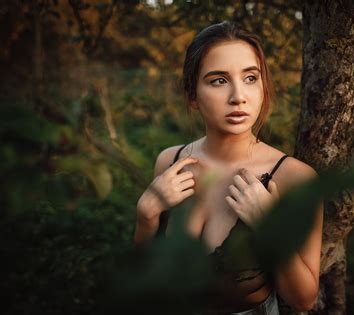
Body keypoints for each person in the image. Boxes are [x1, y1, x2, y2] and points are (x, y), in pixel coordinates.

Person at [134, 21, 323, 314]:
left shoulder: (293, 177)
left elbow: (303, 301)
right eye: (219, 80)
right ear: (193, 95)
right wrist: (145, 217)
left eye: (250, 78)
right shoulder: (170, 161)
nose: (238, 96)